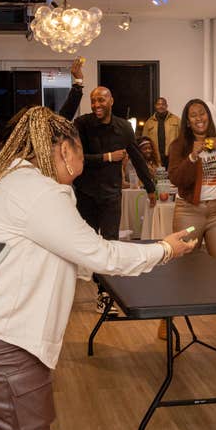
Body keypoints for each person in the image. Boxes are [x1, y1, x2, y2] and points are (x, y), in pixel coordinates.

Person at [0, 106, 197, 430]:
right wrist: (165, 249)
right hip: (5, 349)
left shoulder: (11, 182)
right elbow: (100, 254)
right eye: (81, 154)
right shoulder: (39, 192)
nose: (81, 169)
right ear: (65, 150)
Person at [64, 82, 157, 313]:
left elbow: (136, 156)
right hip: (85, 193)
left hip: (111, 195)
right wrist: (107, 157)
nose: (96, 104)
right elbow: (80, 159)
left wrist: (150, 187)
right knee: (82, 244)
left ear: (111, 101)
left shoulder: (124, 127)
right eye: (94, 100)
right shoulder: (82, 124)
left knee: (109, 244)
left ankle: (105, 293)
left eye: (101, 100)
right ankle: (64, 292)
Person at [167, 98, 216, 342]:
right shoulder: (180, 144)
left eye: (203, 113)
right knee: (181, 267)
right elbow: (176, 179)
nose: (199, 118)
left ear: (208, 117)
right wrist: (192, 157)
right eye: (193, 115)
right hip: (189, 211)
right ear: (188, 122)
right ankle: (166, 319)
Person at [143, 96, 180, 168]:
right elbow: (145, 141)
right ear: (155, 106)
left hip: (172, 157)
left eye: (163, 104)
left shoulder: (176, 120)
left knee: (173, 177)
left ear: (166, 106)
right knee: (158, 178)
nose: (161, 106)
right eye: (158, 104)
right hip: (156, 159)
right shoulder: (149, 123)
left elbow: (182, 137)